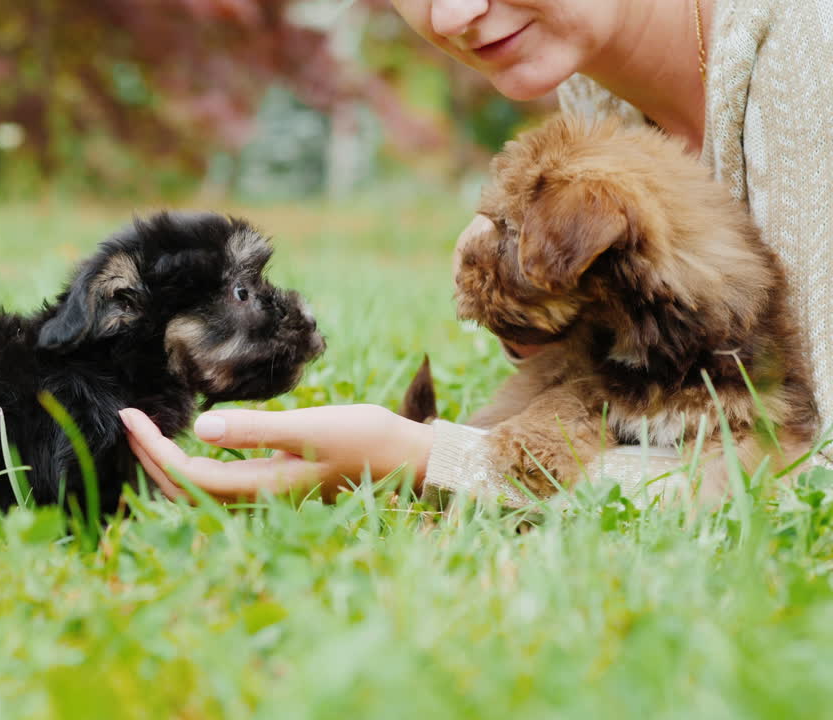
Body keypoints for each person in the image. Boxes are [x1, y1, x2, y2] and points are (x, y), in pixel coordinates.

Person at [121, 0, 833, 506]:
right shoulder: (595, 90)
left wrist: (435, 462)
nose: (452, 14)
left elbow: (809, 476)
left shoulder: (814, 57)